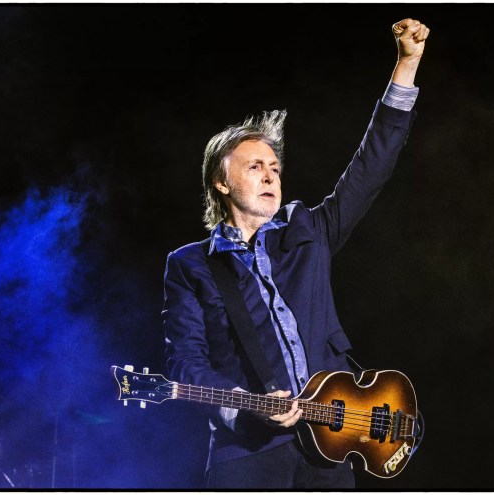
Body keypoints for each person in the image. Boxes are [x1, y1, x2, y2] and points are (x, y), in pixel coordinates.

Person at [162, 18, 429, 489]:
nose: (270, 176)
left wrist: (405, 67)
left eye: (274, 167)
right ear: (221, 183)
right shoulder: (191, 264)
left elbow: (371, 168)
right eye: (254, 167)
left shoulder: (309, 230)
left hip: (331, 445)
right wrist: (247, 404)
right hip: (248, 451)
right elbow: (186, 362)